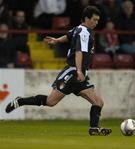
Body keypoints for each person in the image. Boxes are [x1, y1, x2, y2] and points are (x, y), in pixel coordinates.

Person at [5, 6, 112, 136]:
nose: (96, 22)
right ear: (86, 18)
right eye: (94, 20)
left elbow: (68, 36)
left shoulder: (80, 29)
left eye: (98, 20)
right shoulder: (83, 32)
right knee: (51, 102)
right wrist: (79, 71)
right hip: (73, 73)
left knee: (98, 102)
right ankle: (20, 101)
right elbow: (79, 52)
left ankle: (94, 128)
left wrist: (56, 40)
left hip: (80, 75)